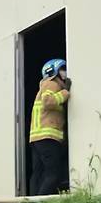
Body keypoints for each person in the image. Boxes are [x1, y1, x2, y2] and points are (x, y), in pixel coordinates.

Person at [29, 59, 70, 195]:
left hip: (37, 139)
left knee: (38, 174)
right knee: (53, 175)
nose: (65, 72)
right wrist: (65, 93)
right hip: (48, 138)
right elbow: (48, 102)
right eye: (62, 69)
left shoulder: (44, 86)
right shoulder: (51, 84)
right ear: (54, 72)